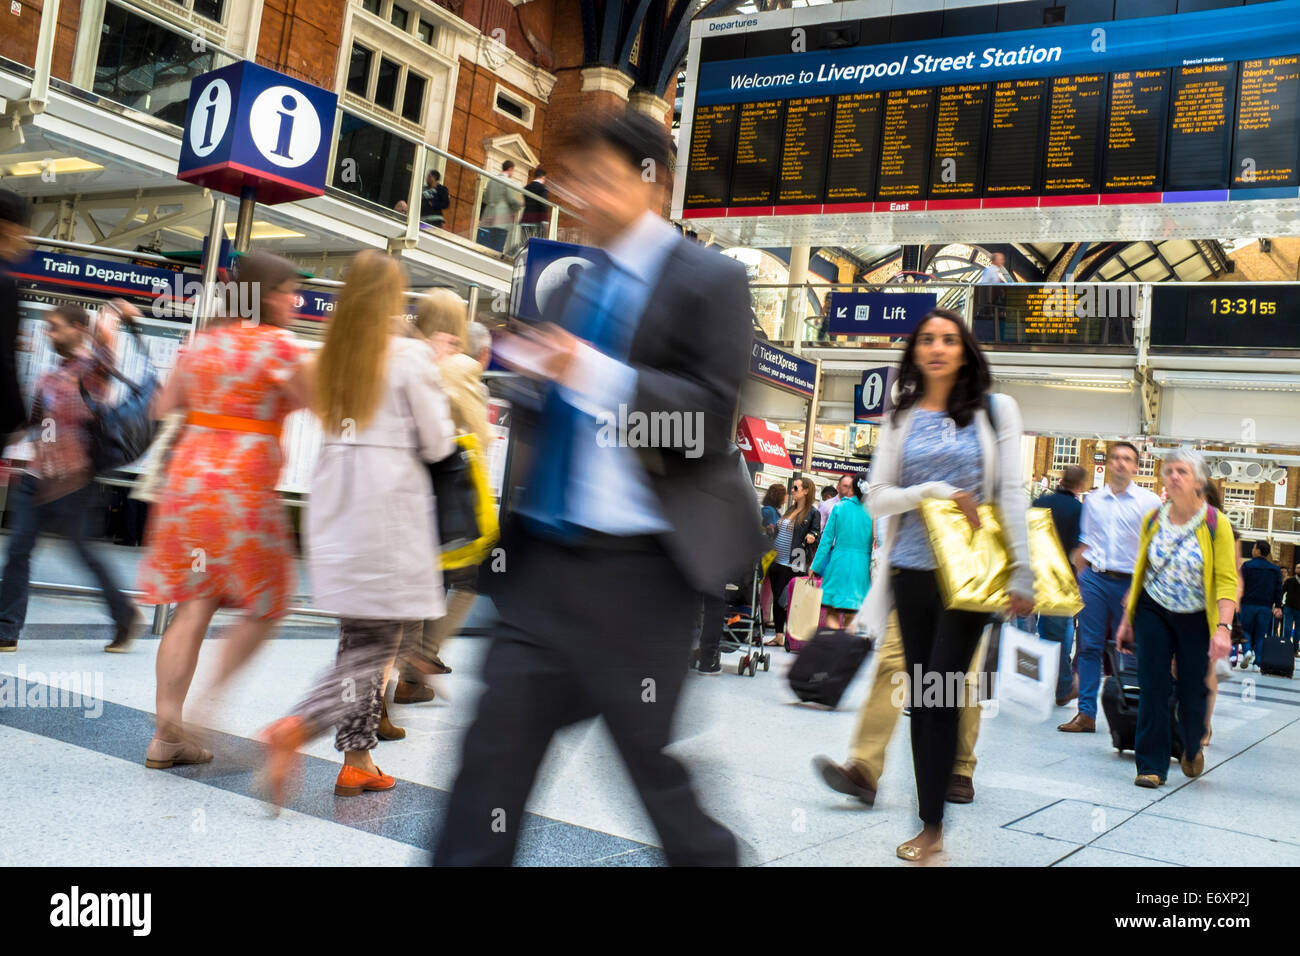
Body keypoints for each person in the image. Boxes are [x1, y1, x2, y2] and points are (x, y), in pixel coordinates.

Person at [434, 110, 765, 867]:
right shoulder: (583, 283)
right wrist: (536, 386)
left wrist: (584, 370)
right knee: (488, 768)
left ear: (655, 185)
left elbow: (707, 423)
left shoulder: (711, 279)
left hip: (641, 577)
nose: (583, 197)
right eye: (577, 180)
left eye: (602, 180)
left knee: (652, 774)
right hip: (544, 569)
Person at [823, 308, 1033, 863]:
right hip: (911, 573)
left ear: (964, 350)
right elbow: (877, 496)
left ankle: (935, 818)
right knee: (924, 695)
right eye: (927, 340)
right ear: (915, 353)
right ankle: (931, 824)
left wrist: (1023, 570)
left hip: (970, 575)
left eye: (948, 339)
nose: (937, 348)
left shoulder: (995, 410)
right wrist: (933, 490)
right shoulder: (901, 415)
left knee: (941, 684)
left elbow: (1010, 491)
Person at [260, 251, 455, 803]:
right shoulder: (410, 356)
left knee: (359, 640)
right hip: (388, 509)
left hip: (337, 505)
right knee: (377, 645)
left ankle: (357, 758)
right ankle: (295, 727)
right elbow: (438, 442)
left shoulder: (331, 355)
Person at [136, 251, 309, 769]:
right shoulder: (277, 346)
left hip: (188, 488)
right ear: (264, 293)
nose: (295, 300)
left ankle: (167, 734)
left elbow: (162, 408)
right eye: (288, 290)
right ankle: (206, 708)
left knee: (194, 604)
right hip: (244, 491)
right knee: (269, 603)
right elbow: (322, 403)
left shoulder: (202, 341)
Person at [0, 303, 142, 653]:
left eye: (55, 327)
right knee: (18, 551)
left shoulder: (92, 371)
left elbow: (105, 350)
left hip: (75, 484)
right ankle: (6, 629)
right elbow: (31, 426)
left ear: (78, 328)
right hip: (37, 478)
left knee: (85, 556)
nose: (49, 334)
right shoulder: (49, 377)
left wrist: (111, 314)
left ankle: (124, 615)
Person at [394, 288, 492, 704]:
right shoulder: (459, 368)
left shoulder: (400, 353)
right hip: (447, 486)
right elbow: (478, 436)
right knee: (467, 578)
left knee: (422, 580)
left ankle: (405, 677)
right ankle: (420, 658)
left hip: (403, 486)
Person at [1116, 449, 1236, 788]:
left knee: (1192, 689)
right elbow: (1141, 572)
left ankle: (1192, 743)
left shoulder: (1216, 523)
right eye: (1169, 471)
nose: (1173, 477)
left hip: (1196, 616)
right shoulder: (1153, 519)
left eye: (1182, 471)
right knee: (1153, 684)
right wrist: (1128, 618)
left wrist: (1223, 628)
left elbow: (1226, 579)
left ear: (1198, 481)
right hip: (1153, 610)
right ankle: (1150, 765)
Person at [1058, 442, 1161, 733]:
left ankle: (1136, 713)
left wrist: (1141, 588)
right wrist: (1080, 581)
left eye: (1127, 459)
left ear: (1137, 467)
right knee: (1088, 646)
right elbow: (1085, 543)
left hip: (1131, 581)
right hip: (1094, 579)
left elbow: (1154, 549)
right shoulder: (1093, 500)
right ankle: (1086, 714)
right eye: (1115, 458)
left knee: (1131, 648)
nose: (1119, 463)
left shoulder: (1149, 502)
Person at [1033, 464, 1087, 706]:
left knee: (1032, 631)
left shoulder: (1040, 502)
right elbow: (1079, 549)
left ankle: (1031, 682)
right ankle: (1063, 687)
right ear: (1080, 485)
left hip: (1034, 573)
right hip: (1060, 579)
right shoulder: (1079, 510)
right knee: (1056, 635)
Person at [809, 472, 872, 631]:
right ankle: (845, 648)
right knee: (853, 613)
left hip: (838, 563)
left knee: (832, 610)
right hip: (862, 567)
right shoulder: (874, 513)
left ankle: (834, 646)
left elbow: (826, 540)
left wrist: (815, 566)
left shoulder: (839, 507)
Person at [766, 476, 821, 647]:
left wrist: (812, 536)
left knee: (787, 599)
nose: (792, 490)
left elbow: (816, 531)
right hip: (777, 559)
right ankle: (779, 635)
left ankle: (794, 635)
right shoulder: (790, 510)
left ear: (806, 491)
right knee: (777, 598)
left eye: (796, 488)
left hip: (795, 561)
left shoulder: (813, 513)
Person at [0, 188, 30, 439]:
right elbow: (2, 360)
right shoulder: (3, 282)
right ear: (7, 228)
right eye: (24, 230)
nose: (27, 238)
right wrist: (16, 419)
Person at [1236, 541, 1282, 671]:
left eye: (1254, 548)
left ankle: (1247, 652)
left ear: (1258, 551)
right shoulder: (1275, 569)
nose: (1252, 550)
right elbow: (1278, 589)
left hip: (1248, 604)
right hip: (1266, 607)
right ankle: (1257, 664)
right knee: (1261, 635)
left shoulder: (1247, 566)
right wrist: (1278, 606)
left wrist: (1237, 601)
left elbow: (1240, 585)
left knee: (1245, 631)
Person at [478, 160, 523, 253]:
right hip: (501, 220)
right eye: (513, 171)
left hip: (487, 217)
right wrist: (519, 206)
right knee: (497, 249)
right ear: (510, 169)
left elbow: (485, 198)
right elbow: (511, 200)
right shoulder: (509, 182)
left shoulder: (491, 180)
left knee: (483, 246)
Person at [519, 167, 550, 243]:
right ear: (543, 177)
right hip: (537, 221)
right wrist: (545, 220)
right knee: (538, 244)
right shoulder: (543, 188)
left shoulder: (526, 188)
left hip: (525, 219)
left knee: (523, 244)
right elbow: (543, 204)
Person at [1283, 563, 1300, 653]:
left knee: (1298, 631)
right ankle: (1286, 648)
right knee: (1287, 628)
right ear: (1295, 570)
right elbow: (1282, 591)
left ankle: (1295, 650)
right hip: (1289, 607)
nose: (1298, 569)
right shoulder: (1290, 580)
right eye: (1297, 567)